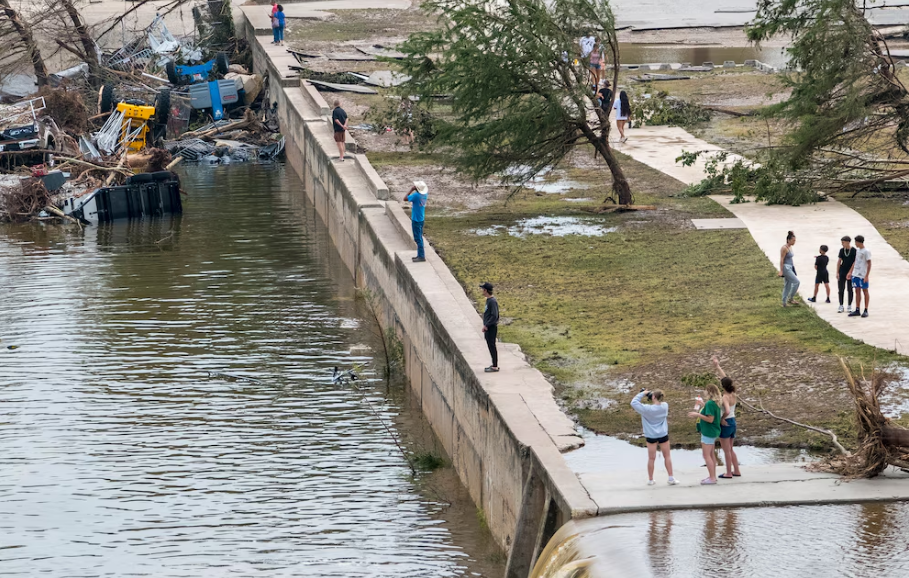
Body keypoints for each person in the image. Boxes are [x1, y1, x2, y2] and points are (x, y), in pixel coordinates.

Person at [631, 389, 679, 486]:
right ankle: (670, 477)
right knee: (667, 456)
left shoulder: (646, 409)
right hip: (662, 434)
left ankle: (651, 479)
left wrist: (643, 393)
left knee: (651, 458)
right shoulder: (665, 406)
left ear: (653, 397)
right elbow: (659, 403)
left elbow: (634, 402)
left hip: (651, 435)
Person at [712, 357, 741, 479]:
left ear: (722, 386)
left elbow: (727, 410)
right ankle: (737, 470)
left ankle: (728, 472)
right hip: (733, 422)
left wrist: (721, 419)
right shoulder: (733, 394)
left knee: (726, 450)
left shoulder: (724, 396)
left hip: (727, 422)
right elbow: (725, 378)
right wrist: (717, 366)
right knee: (731, 448)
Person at [688, 383, 722, 485]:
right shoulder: (713, 403)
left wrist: (697, 414)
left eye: (706, 390)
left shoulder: (710, 404)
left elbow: (710, 419)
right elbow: (708, 411)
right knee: (711, 455)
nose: (704, 392)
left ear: (709, 391)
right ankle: (713, 476)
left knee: (706, 455)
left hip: (708, 432)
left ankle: (712, 478)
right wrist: (702, 404)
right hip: (712, 431)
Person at [847, 234, 872, 318]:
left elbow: (869, 264)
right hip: (856, 274)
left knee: (865, 291)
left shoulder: (866, 251)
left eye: (856, 242)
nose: (855, 244)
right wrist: (850, 272)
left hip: (863, 275)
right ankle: (857, 309)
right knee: (857, 291)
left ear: (859, 242)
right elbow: (855, 261)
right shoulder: (857, 250)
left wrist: (867, 276)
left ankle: (866, 309)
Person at [404, 181, 428, 262]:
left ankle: (421, 256)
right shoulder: (424, 195)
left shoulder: (416, 195)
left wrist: (411, 189)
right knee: (419, 237)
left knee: (418, 238)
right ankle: (419, 255)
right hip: (421, 218)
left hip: (416, 219)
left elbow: (405, 198)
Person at [480, 282, 499, 372]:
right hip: (488, 327)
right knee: (490, 346)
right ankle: (494, 364)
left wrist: (487, 325)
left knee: (492, 346)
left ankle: (495, 366)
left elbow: (494, 316)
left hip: (491, 328)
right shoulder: (489, 300)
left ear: (486, 290)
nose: (482, 291)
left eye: (483, 290)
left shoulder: (492, 301)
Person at [778, 230, 799, 307]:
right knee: (796, 282)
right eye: (793, 240)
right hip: (786, 268)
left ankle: (784, 302)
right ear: (788, 240)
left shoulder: (790, 247)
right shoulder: (784, 248)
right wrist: (781, 270)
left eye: (795, 240)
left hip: (790, 267)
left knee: (788, 285)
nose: (794, 242)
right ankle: (791, 298)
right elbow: (781, 259)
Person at [836, 235, 856, 314]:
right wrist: (837, 272)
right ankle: (841, 305)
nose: (842, 244)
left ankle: (849, 305)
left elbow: (855, 262)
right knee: (841, 289)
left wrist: (850, 272)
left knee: (850, 289)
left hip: (851, 271)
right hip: (842, 270)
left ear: (848, 242)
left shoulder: (854, 250)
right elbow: (839, 261)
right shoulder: (841, 250)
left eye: (843, 242)